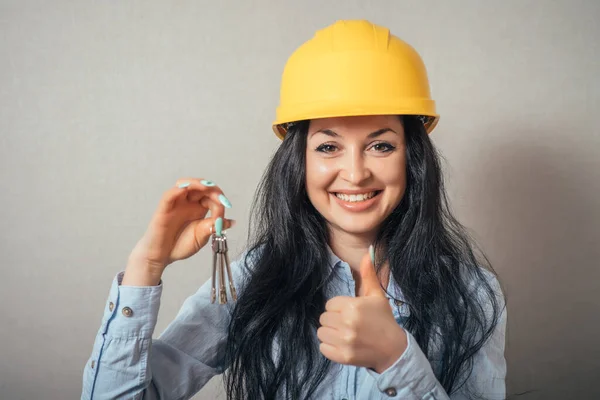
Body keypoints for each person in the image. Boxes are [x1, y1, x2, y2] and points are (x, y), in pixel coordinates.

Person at [81, 19, 506, 400]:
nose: (355, 174)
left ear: (412, 157)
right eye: (328, 146)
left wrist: (397, 361)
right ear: (298, 161)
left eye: (381, 145)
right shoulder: (252, 280)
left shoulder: (472, 292)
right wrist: (147, 265)